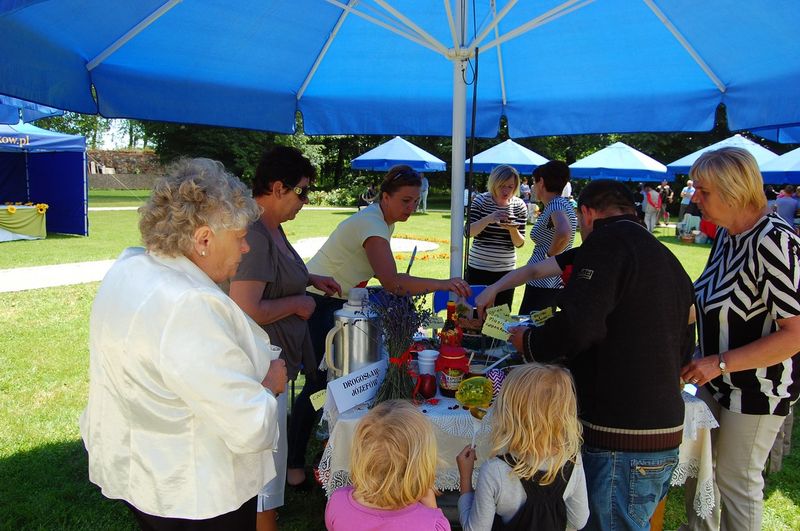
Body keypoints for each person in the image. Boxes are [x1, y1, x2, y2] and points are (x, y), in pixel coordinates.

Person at [80, 158, 288, 530]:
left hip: (146, 473)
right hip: (195, 492)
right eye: (240, 238)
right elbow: (248, 425)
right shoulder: (189, 304)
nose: (245, 249)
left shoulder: (130, 267)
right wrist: (270, 385)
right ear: (204, 239)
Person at [509, 179, 695, 531]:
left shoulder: (606, 243)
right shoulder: (664, 255)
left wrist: (529, 342)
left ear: (587, 213)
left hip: (622, 435)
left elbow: (579, 326)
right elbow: (686, 341)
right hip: (662, 428)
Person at [290, 165, 471, 488]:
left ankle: (329, 455)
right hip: (318, 303)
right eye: (404, 201)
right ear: (384, 196)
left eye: (415, 201)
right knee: (319, 383)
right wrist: (443, 283)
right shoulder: (372, 224)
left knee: (338, 381)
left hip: (336, 302)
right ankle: (294, 466)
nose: (411, 208)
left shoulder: (380, 221)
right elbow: (392, 282)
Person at [679, 148, 800, 531]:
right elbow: (702, 299)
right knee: (700, 475)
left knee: (735, 482)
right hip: (717, 384)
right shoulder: (730, 236)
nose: (695, 198)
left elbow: (795, 334)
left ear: (733, 192)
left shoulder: (775, 242)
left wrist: (717, 362)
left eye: (703, 191)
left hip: (758, 390)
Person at [228, 146, 341, 529]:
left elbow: (280, 272)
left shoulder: (272, 228)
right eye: (302, 191)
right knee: (264, 465)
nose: (305, 201)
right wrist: (298, 303)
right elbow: (246, 307)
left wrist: (309, 279)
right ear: (277, 187)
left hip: (274, 361)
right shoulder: (255, 235)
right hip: (258, 367)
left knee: (270, 458)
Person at [456, 363, 589, 531]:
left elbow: (474, 529)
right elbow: (579, 521)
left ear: (509, 415)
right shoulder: (572, 460)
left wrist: (465, 479)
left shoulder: (495, 471)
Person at [325, 400, 451, 531]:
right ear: (421, 466)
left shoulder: (338, 503)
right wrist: (432, 509)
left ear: (359, 457)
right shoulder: (431, 523)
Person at [465, 164, 528, 309]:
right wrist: (489, 218)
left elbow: (519, 243)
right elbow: (468, 232)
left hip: (505, 271)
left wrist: (512, 230)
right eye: (502, 186)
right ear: (493, 184)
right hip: (478, 268)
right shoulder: (481, 201)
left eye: (510, 187)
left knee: (501, 316)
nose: (506, 191)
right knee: (474, 313)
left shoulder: (519, 206)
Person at [518, 161, 577, 315]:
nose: (532, 187)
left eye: (533, 182)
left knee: (530, 327)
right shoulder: (563, 203)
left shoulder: (555, 205)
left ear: (541, 182)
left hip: (542, 282)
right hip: (550, 281)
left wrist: (550, 257)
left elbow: (564, 231)